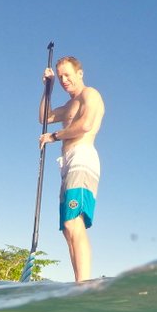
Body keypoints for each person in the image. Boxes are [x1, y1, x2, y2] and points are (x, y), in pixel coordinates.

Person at [39, 55, 105, 282]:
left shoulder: (91, 94)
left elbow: (85, 125)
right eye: (60, 77)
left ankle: (83, 284)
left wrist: (55, 136)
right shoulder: (68, 105)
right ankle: (79, 280)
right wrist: (48, 89)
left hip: (82, 158)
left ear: (80, 73)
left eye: (68, 74)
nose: (64, 80)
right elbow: (44, 118)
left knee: (73, 221)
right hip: (67, 164)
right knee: (68, 230)